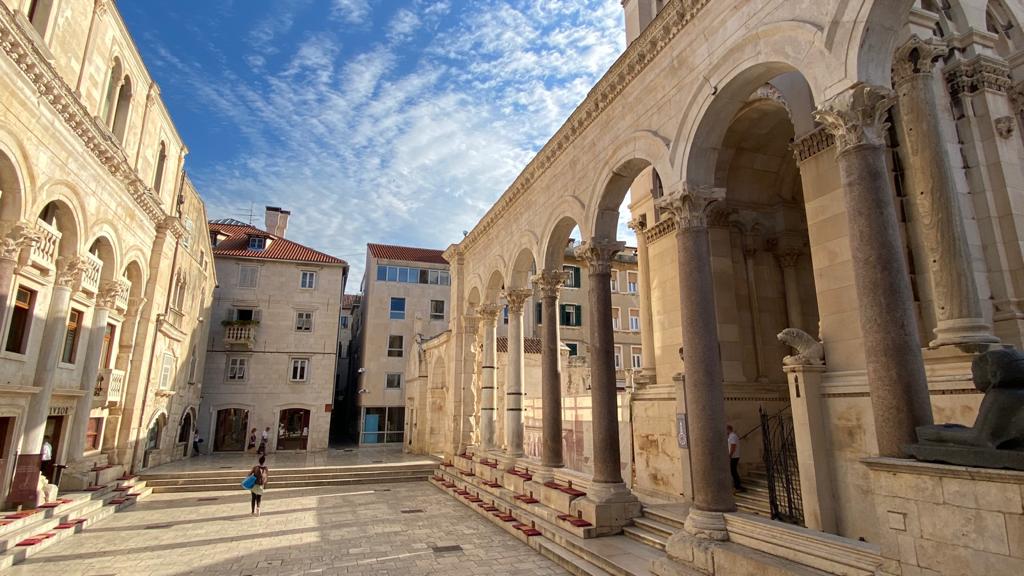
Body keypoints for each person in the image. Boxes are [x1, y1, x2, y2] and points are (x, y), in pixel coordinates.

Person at [727, 425, 744, 492]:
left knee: (733, 472)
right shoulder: (732, 436)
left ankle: (737, 486)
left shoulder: (732, 436)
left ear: (728, 429)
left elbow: (733, 446)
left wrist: (730, 456)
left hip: (734, 457)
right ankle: (737, 485)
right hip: (734, 456)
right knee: (733, 471)